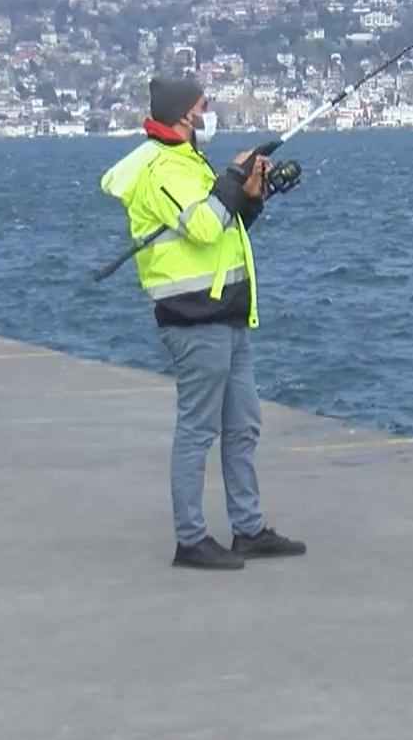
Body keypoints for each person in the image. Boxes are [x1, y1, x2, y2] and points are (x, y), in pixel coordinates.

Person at [101, 75, 304, 571]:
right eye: (201, 106)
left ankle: (248, 529)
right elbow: (204, 225)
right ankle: (190, 539)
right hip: (193, 319)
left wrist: (252, 195)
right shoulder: (161, 170)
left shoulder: (189, 162)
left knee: (243, 425)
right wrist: (235, 178)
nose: (206, 114)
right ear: (180, 115)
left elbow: (225, 227)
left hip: (227, 313)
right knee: (198, 430)